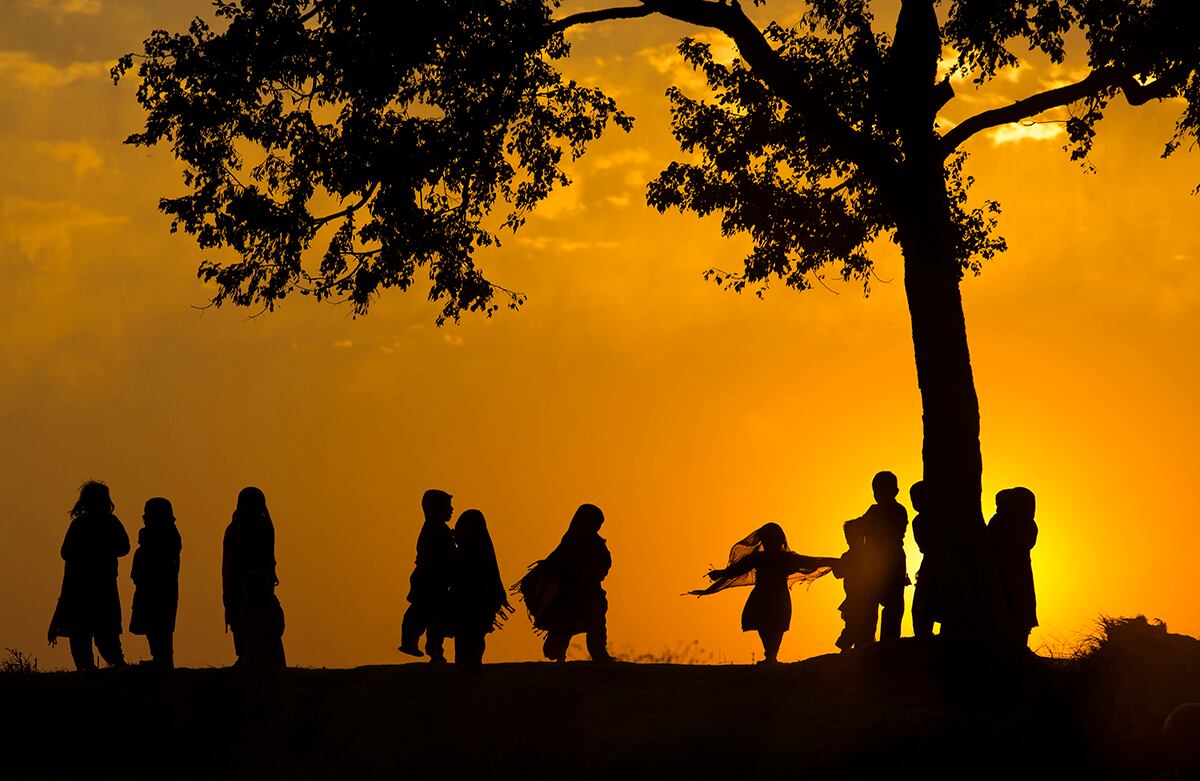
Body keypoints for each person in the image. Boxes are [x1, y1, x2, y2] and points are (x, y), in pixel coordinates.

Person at [690, 522, 837, 664]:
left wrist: (720, 574)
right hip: (774, 596)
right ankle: (771, 656)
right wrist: (836, 562)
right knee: (770, 625)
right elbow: (813, 562)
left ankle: (771, 656)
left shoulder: (768, 558)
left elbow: (813, 562)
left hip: (766, 595)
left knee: (771, 625)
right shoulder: (773, 558)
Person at [514, 504, 613, 662]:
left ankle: (599, 654)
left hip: (590, 593)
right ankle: (559, 655)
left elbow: (603, 565)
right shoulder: (570, 543)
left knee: (596, 623)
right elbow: (554, 566)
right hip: (568, 595)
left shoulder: (596, 543)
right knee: (564, 626)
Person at [48, 481, 131, 670]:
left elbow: (65, 553)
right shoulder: (109, 522)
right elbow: (124, 547)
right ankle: (112, 666)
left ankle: (95, 669)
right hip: (99, 586)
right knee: (100, 632)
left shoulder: (80, 525)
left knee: (85, 633)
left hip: (84, 587)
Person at [835, 471, 909, 649]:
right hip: (873, 565)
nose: (878, 495)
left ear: (895, 491)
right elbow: (857, 526)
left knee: (892, 605)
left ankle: (888, 643)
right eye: (876, 491)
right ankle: (865, 642)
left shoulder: (898, 511)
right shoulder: (873, 511)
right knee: (869, 604)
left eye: (882, 491)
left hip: (892, 562)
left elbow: (888, 531)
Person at [448, 509, 512, 666]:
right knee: (464, 637)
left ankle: (473, 664)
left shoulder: (479, 553)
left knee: (475, 636)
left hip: (479, 603)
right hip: (464, 603)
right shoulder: (465, 552)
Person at [399, 489, 455, 662]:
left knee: (429, 615)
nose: (451, 509)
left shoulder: (437, 529)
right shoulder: (436, 530)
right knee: (428, 614)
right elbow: (443, 555)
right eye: (448, 506)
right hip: (430, 579)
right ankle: (429, 648)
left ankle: (430, 648)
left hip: (432, 579)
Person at [222, 486, 276, 661]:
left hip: (256, 584)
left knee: (256, 619)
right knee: (240, 618)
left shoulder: (263, 527)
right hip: (239, 583)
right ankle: (245, 657)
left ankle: (256, 658)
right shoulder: (261, 527)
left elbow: (269, 556)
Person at [129, 497, 182, 668]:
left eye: (148, 513)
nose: (143, 517)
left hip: (160, 590)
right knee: (152, 626)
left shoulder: (166, 537)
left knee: (161, 626)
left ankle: (163, 660)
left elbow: (159, 566)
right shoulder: (153, 537)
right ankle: (159, 658)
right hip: (148, 588)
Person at [988, 486, 1038, 647]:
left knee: (1022, 609)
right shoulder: (998, 522)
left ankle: (1020, 646)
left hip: (1019, 573)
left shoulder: (1029, 525)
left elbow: (1025, 543)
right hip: (1002, 573)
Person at [909, 481, 942, 638]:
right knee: (921, 608)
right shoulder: (918, 521)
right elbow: (924, 546)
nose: (916, 503)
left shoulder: (940, 518)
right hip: (930, 564)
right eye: (914, 500)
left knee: (925, 606)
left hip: (937, 565)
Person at [236, 568, 286, 670]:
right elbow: (242, 629)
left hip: (271, 655)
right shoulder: (247, 608)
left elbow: (279, 628)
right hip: (252, 655)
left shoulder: (272, 606)